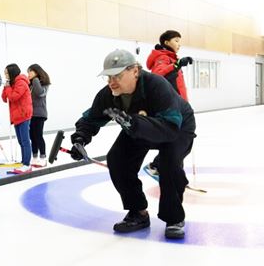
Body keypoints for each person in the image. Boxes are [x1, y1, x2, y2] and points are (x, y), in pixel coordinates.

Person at [70, 49, 196, 239]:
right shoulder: (109, 94)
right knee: (118, 159)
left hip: (177, 126)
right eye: (108, 77)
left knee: (169, 165)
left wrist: (135, 122)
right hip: (137, 126)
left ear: (135, 71)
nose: (112, 82)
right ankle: (138, 212)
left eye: (117, 76)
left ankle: (174, 218)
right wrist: (80, 138)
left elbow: (170, 127)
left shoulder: (157, 85)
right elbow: (91, 118)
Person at [145, 30, 193, 177]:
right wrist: (177, 65)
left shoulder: (170, 58)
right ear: (166, 42)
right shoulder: (162, 58)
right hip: (171, 106)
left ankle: (173, 171)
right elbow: (157, 75)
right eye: (176, 40)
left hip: (179, 105)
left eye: (180, 41)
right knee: (182, 139)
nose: (179, 44)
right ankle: (157, 166)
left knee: (181, 139)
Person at [2, 64, 33, 174]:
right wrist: (6, 87)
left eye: (6, 73)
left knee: (25, 140)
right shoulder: (12, 83)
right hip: (16, 116)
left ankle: (27, 164)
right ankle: (24, 161)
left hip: (23, 115)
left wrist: (8, 87)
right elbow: (5, 99)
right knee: (21, 141)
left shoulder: (21, 82)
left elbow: (13, 97)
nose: (5, 75)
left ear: (12, 72)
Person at [27, 64, 50, 167]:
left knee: (38, 135)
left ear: (36, 72)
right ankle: (35, 157)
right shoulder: (31, 84)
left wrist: (35, 80)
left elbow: (40, 93)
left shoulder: (44, 84)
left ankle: (43, 158)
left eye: (30, 72)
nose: (28, 74)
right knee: (32, 136)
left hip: (40, 114)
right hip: (31, 114)